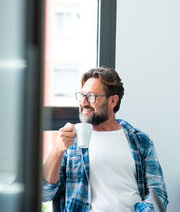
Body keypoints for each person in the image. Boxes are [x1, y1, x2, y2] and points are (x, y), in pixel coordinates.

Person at [43, 67, 168, 211]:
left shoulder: (140, 141)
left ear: (113, 101)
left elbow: (158, 195)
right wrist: (58, 149)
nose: (83, 102)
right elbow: (44, 193)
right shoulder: (70, 141)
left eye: (91, 96)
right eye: (82, 95)